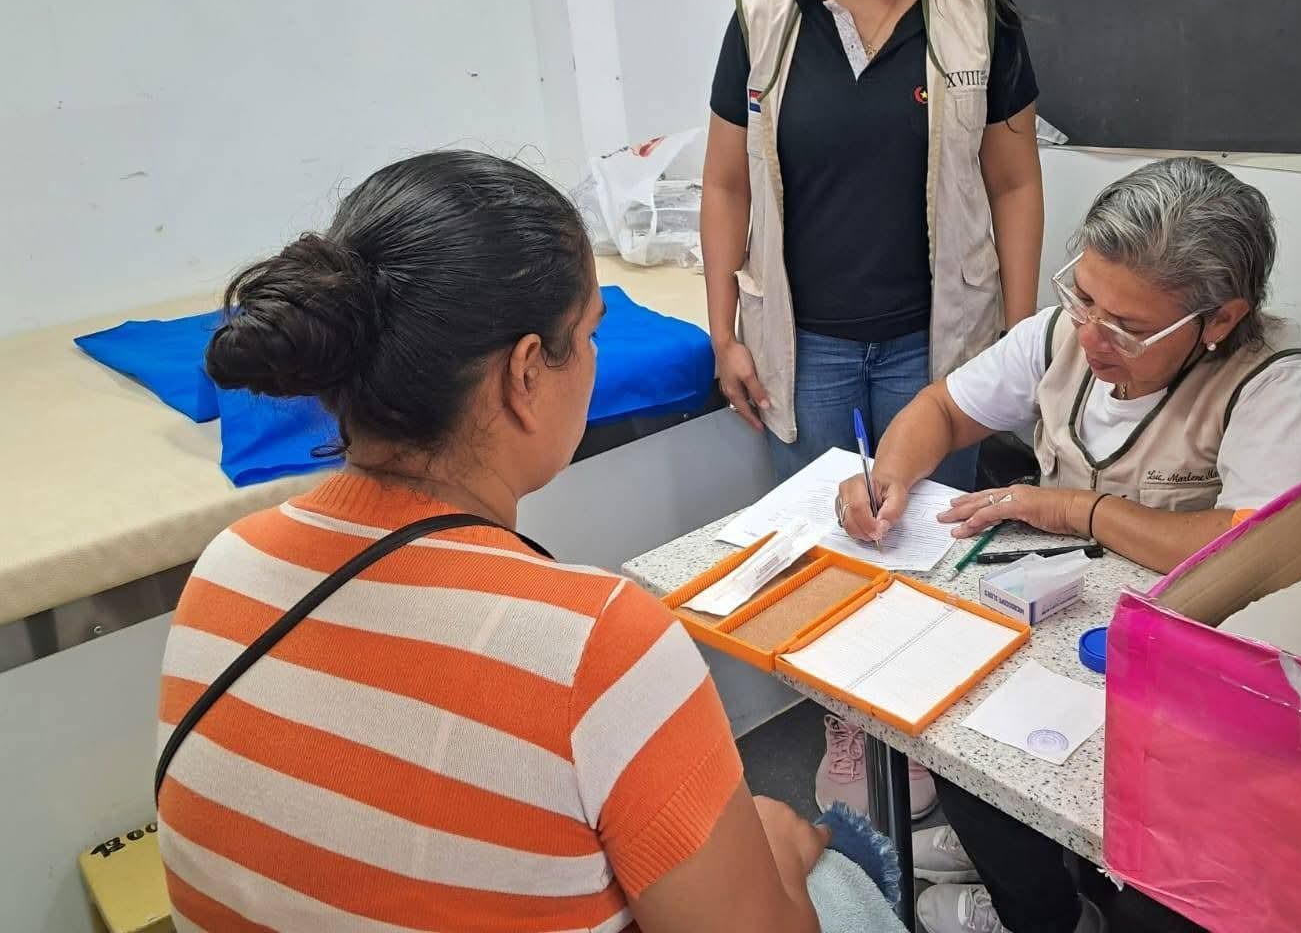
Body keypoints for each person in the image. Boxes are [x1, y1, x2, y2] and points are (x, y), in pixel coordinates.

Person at [155, 151, 830, 933]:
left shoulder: (227, 565)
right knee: (837, 879)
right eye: (590, 334)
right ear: (525, 374)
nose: (598, 358)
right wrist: (780, 854)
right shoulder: (597, 646)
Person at [836, 157, 1301, 933]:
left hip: (1200, 673)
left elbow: (1253, 548)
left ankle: (1082, 881)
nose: (1092, 335)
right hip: (1064, 631)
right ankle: (1039, 904)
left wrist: (1075, 510)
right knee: (957, 735)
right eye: (1083, 297)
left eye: (1128, 327)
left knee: (1159, 887)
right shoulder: (1062, 334)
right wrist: (889, 476)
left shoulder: (1283, 386)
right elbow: (943, 411)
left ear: (1218, 319)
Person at [701, 0, 1044, 821]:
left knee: (929, 549)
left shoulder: (971, 8)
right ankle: (849, 731)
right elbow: (721, 185)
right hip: (803, 341)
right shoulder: (763, 18)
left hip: (932, 343)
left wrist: (1020, 343)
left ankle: (923, 737)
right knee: (823, 552)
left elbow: (1015, 179)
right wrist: (724, 332)